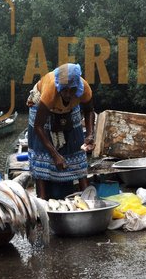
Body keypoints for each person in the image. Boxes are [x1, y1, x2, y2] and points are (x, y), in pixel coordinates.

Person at [27, 63, 95, 199]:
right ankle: (42, 199)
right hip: (42, 107)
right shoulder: (50, 90)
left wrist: (89, 134)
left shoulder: (84, 88)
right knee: (42, 153)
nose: (68, 94)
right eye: (64, 90)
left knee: (77, 148)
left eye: (72, 90)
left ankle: (88, 198)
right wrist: (55, 155)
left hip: (70, 109)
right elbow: (38, 126)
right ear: (59, 86)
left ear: (77, 86)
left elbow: (89, 111)